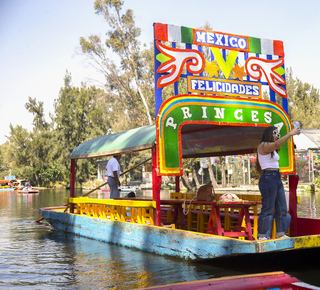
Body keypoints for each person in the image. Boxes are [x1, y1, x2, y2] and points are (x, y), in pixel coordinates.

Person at [256, 126, 300, 240]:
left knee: (282, 207)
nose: (276, 135)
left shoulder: (272, 150)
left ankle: (280, 234)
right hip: (268, 178)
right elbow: (276, 144)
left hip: (276, 177)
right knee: (268, 208)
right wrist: (290, 134)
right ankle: (262, 235)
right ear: (269, 134)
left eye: (277, 134)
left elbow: (276, 146)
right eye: (275, 133)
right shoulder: (263, 146)